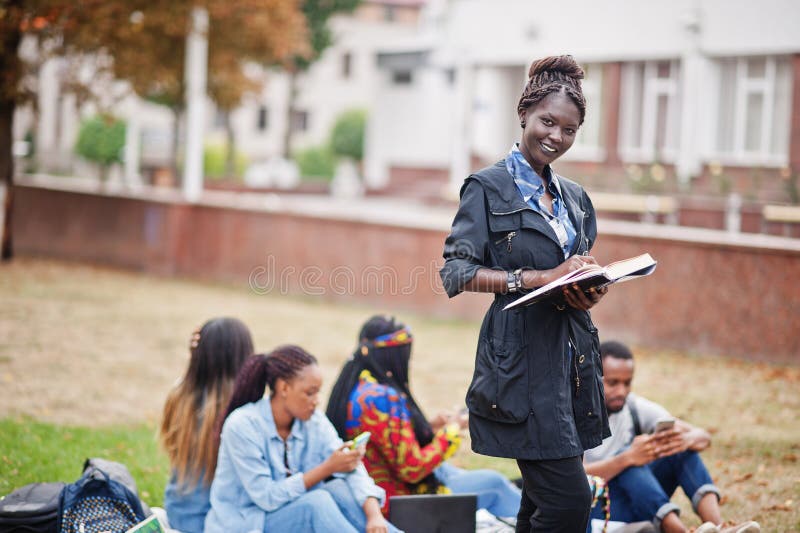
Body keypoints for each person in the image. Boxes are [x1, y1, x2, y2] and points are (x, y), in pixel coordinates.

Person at [439, 55, 611, 533]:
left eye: (570, 130)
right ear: (524, 115)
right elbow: (457, 273)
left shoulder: (575, 198)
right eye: (548, 122)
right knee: (569, 500)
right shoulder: (486, 188)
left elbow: (575, 268)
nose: (556, 137)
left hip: (572, 359)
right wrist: (537, 277)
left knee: (539, 502)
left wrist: (586, 290)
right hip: (519, 363)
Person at [326, 315, 521, 522]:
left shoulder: (361, 385)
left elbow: (387, 442)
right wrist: (452, 430)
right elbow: (412, 469)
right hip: (399, 501)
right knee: (494, 483)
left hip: (379, 491)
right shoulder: (381, 398)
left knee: (458, 473)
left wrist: (428, 427)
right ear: (392, 356)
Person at [204, 345, 399, 533]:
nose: (316, 400)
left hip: (291, 512)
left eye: (318, 392)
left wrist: (375, 515)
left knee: (337, 488)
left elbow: (350, 468)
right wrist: (328, 468)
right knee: (316, 504)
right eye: (309, 392)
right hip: (247, 523)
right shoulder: (242, 426)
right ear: (284, 388)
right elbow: (267, 497)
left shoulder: (314, 421)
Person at [583, 341, 761, 533]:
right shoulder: (572, 416)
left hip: (640, 500)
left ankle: (721, 527)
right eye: (612, 383)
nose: (622, 391)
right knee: (631, 461)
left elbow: (702, 436)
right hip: (597, 512)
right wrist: (626, 459)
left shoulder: (633, 407)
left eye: (627, 383)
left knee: (678, 448)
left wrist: (685, 440)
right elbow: (572, 477)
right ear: (593, 377)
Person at [159, 317, 254, 533]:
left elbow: (192, 379)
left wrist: (195, 357)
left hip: (178, 514)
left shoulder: (180, 396)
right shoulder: (239, 412)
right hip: (212, 523)